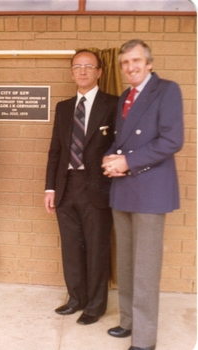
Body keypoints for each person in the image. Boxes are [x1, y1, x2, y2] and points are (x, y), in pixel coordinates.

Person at [102, 39, 184, 350]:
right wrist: (110, 158)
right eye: (125, 63)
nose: (130, 67)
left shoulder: (167, 90)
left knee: (146, 267)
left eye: (136, 61)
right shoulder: (126, 95)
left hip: (150, 190)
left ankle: (145, 339)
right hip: (123, 187)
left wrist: (127, 162)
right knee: (125, 262)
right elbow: (120, 141)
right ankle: (128, 321)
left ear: (149, 63)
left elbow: (172, 140)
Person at [44, 49, 118, 325]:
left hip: (97, 188)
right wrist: (50, 188)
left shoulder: (112, 104)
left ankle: (96, 306)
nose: (83, 71)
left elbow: (120, 147)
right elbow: (55, 151)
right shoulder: (64, 108)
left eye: (89, 66)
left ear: (99, 71)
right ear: (72, 72)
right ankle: (76, 298)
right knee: (72, 249)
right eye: (78, 67)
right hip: (66, 187)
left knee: (97, 248)